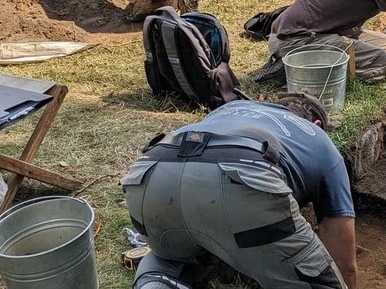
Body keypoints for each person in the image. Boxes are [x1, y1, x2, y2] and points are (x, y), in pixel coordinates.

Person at [121, 93, 357, 289]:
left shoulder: (231, 108)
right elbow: (343, 258)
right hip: (242, 174)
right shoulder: (318, 138)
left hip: (151, 173)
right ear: (317, 124)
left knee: (170, 257)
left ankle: (154, 281)